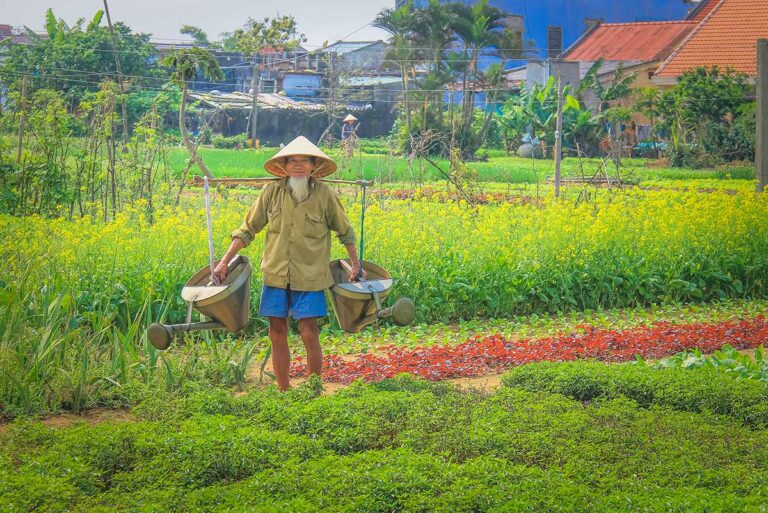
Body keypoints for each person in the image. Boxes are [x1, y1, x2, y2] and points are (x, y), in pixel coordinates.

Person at [213, 136, 364, 390]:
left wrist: (355, 262)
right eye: (291, 161)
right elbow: (247, 230)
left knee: (309, 331)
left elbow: (345, 231)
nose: (297, 166)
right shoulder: (271, 192)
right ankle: (284, 390)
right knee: (276, 332)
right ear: (283, 166)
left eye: (303, 161)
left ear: (314, 165)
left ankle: (313, 387)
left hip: (311, 275)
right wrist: (224, 262)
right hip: (276, 273)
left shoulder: (326, 196)